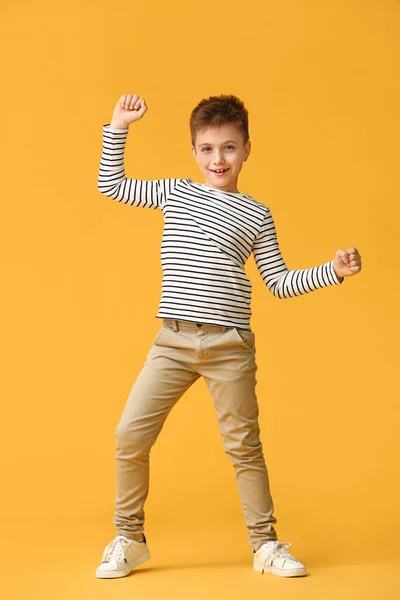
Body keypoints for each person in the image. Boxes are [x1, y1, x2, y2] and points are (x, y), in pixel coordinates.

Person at [95, 93, 362, 579]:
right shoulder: (175, 191)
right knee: (130, 435)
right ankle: (128, 539)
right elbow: (111, 184)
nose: (218, 159)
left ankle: (265, 545)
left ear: (246, 150)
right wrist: (119, 126)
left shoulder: (257, 215)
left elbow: (279, 283)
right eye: (207, 149)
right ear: (194, 152)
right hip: (172, 342)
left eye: (229, 148)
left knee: (244, 448)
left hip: (229, 346)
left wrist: (333, 271)